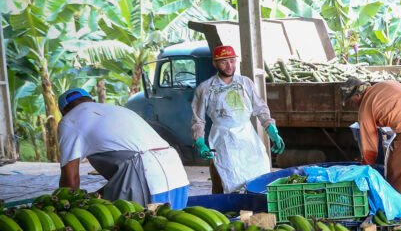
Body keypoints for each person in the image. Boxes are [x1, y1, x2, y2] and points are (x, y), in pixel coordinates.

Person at [57, 88, 190, 208]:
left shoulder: (69, 120)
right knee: (172, 228)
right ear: (92, 100)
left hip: (145, 174)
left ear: (64, 111)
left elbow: (71, 179)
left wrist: (66, 207)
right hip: (175, 173)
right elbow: (125, 163)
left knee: (135, 230)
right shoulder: (118, 110)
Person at [191, 45, 285, 193]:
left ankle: (255, 209)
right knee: (225, 178)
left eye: (232, 61)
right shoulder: (205, 88)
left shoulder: (245, 83)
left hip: (247, 137)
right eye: (224, 62)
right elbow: (198, 120)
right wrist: (200, 142)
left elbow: (260, 108)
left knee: (259, 174)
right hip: (222, 139)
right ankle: (226, 212)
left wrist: (271, 130)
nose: (229, 66)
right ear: (215, 63)